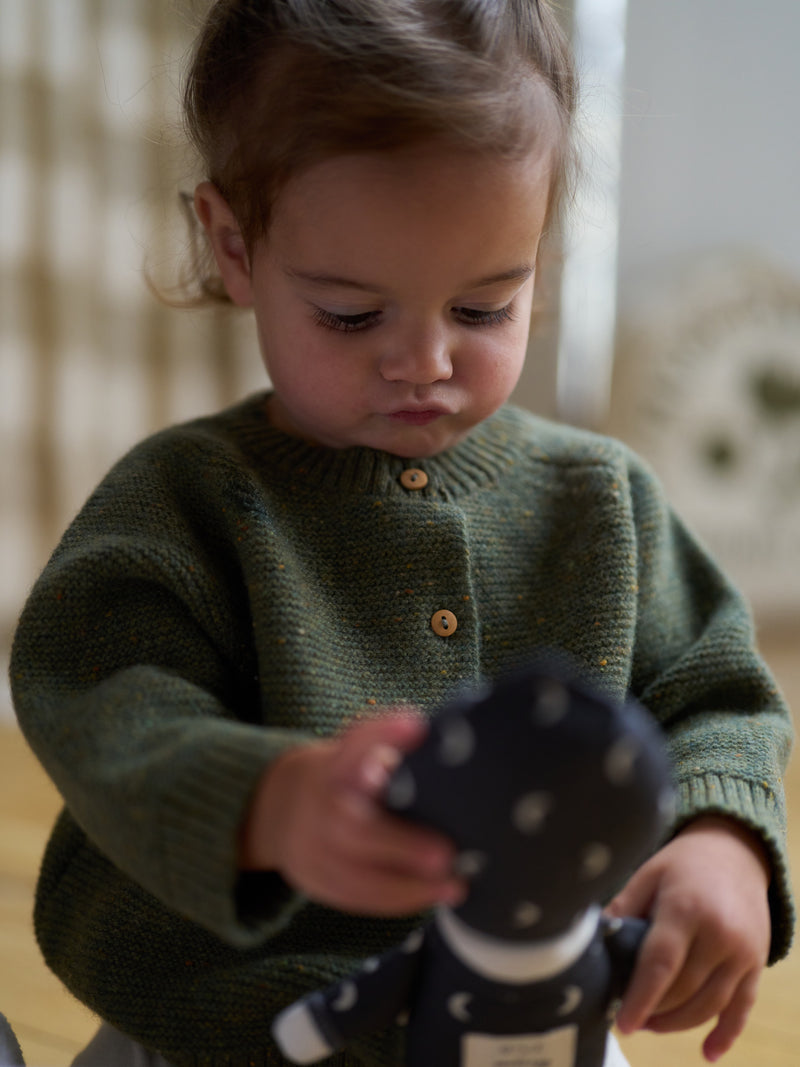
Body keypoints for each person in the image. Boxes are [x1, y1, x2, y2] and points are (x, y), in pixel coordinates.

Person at [9, 2, 793, 1066]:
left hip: (531, 1008)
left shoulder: (599, 500)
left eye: (482, 308)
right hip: (224, 1021)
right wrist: (265, 803)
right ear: (233, 245)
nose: (422, 362)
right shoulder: (187, 500)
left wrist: (720, 839)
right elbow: (102, 705)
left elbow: (712, 692)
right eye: (349, 314)